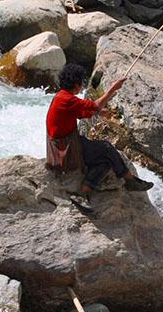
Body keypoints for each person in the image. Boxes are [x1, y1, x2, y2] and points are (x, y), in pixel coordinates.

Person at [46, 63, 153, 212]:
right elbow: (94, 106)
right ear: (76, 84)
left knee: (107, 161)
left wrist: (99, 112)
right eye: (81, 83)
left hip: (63, 146)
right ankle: (130, 180)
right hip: (65, 151)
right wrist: (112, 89)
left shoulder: (61, 97)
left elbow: (83, 112)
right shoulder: (67, 100)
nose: (82, 87)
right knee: (107, 148)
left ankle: (82, 193)